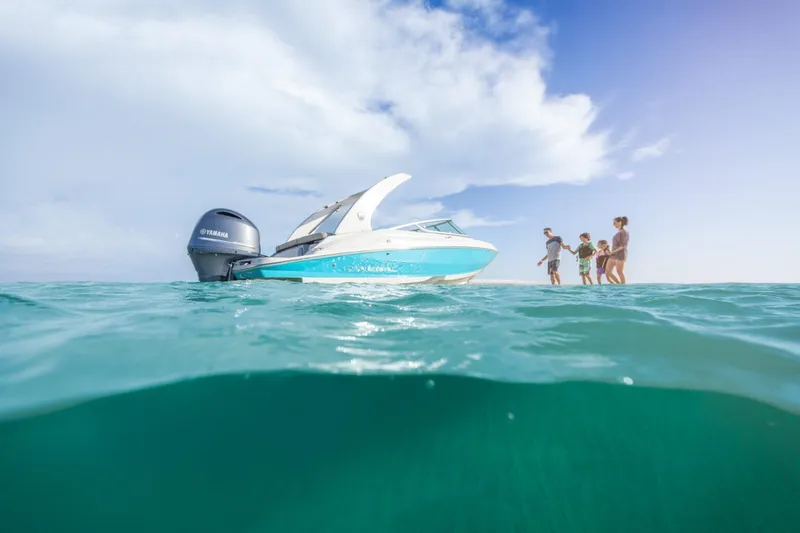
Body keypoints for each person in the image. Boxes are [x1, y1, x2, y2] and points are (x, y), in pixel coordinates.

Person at [606, 216, 630, 284]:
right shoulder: (618, 232)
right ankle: (618, 284)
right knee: (608, 272)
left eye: (615, 223)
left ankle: (622, 287)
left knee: (619, 272)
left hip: (620, 254)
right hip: (613, 254)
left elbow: (622, 246)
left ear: (620, 222)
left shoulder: (624, 232)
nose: (613, 224)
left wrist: (612, 252)